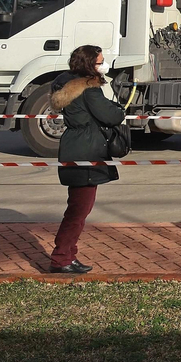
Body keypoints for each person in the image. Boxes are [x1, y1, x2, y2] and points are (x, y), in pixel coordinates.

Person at [48, 45, 125, 274]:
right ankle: (61, 258)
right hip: (87, 151)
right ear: (89, 63)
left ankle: (67, 256)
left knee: (78, 208)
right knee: (78, 210)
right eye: (99, 61)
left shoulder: (62, 82)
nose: (103, 65)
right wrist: (118, 107)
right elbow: (111, 115)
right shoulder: (89, 88)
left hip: (73, 147)